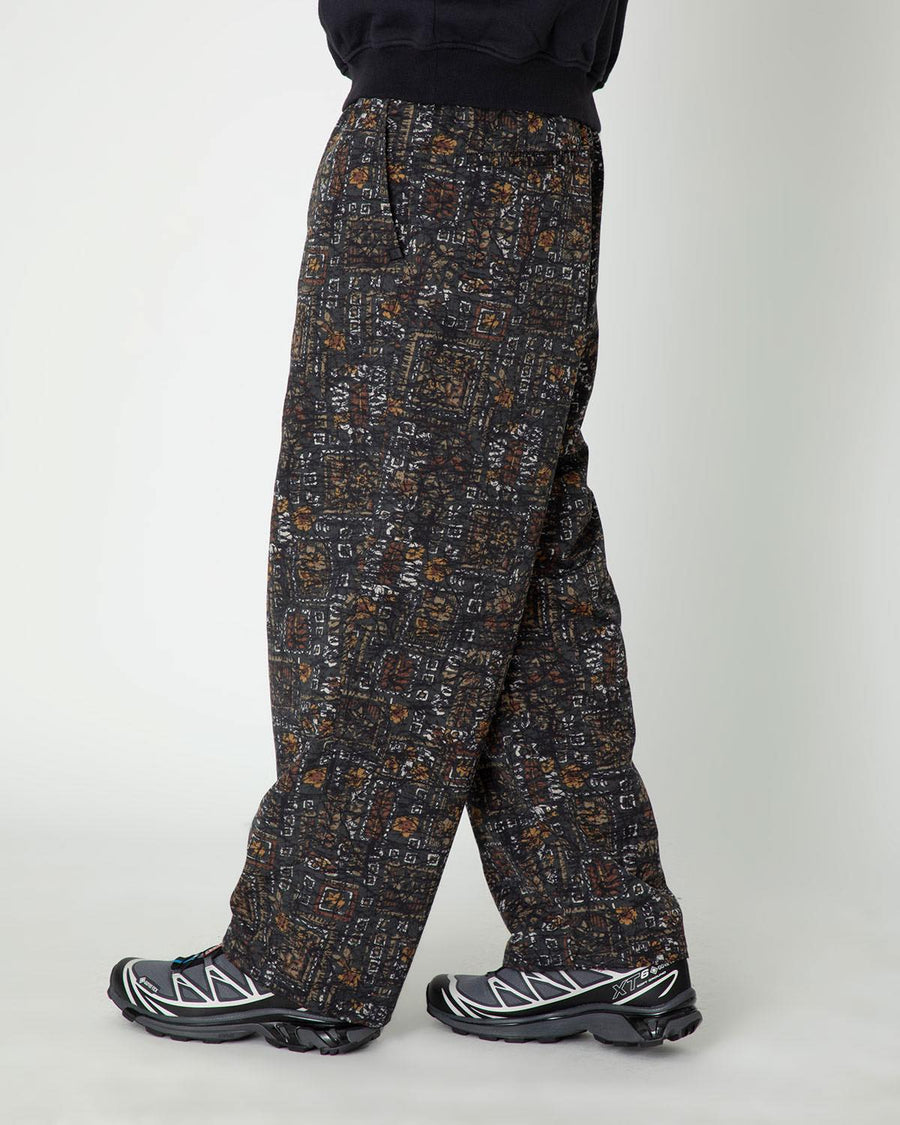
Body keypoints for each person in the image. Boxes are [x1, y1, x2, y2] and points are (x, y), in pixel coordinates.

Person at [107, 0, 701, 1056]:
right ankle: (602, 933)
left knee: (382, 549)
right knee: (519, 551)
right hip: (526, 135)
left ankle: (305, 957)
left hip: (444, 135)